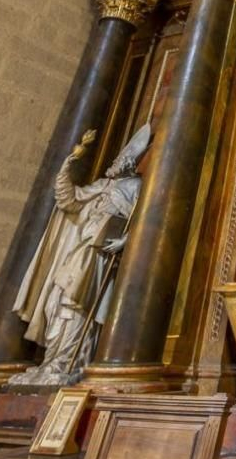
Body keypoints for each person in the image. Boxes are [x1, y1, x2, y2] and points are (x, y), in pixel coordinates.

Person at [11, 123, 151, 384]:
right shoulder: (100, 185)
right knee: (57, 300)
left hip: (98, 255)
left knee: (76, 306)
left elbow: (144, 220)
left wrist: (125, 241)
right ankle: (52, 362)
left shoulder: (135, 187)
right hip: (79, 249)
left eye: (122, 159)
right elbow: (70, 201)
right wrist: (67, 166)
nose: (116, 161)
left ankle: (68, 362)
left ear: (130, 163)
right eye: (117, 157)